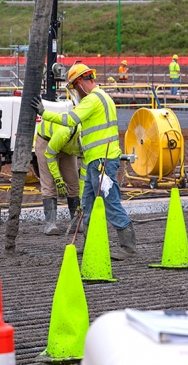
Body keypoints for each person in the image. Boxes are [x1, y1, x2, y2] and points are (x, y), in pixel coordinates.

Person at [31, 63, 137, 260]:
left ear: (79, 83)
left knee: (110, 202)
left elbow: (71, 119)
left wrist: (44, 113)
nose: (75, 93)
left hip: (102, 161)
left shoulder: (92, 100)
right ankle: (89, 243)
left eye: (73, 87)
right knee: (86, 203)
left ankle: (128, 247)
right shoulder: (104, 97)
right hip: (94, 160)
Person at [34, 119, 82, 235]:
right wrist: (58, 180)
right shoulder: (63, 133)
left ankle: (76, 223)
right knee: (49, 183)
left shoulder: (82, 136)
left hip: (67, 145)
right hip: (47, 142)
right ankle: (50, 224)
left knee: (74, 182)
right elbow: (50, 156)